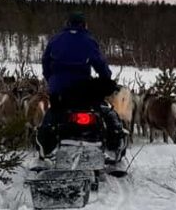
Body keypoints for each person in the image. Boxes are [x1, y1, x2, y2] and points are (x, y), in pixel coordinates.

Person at [36, 12, 125, 159]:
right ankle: (114, 144)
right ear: (83, 25)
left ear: (68, 24)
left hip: (59, 92)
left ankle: (45, 147)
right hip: (83, 91)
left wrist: (51, 80)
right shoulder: (88, 40)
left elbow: (46, 63)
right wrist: (106, 79)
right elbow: (100, 64)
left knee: (52, 115)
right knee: (106, 112)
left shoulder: (55, 39)